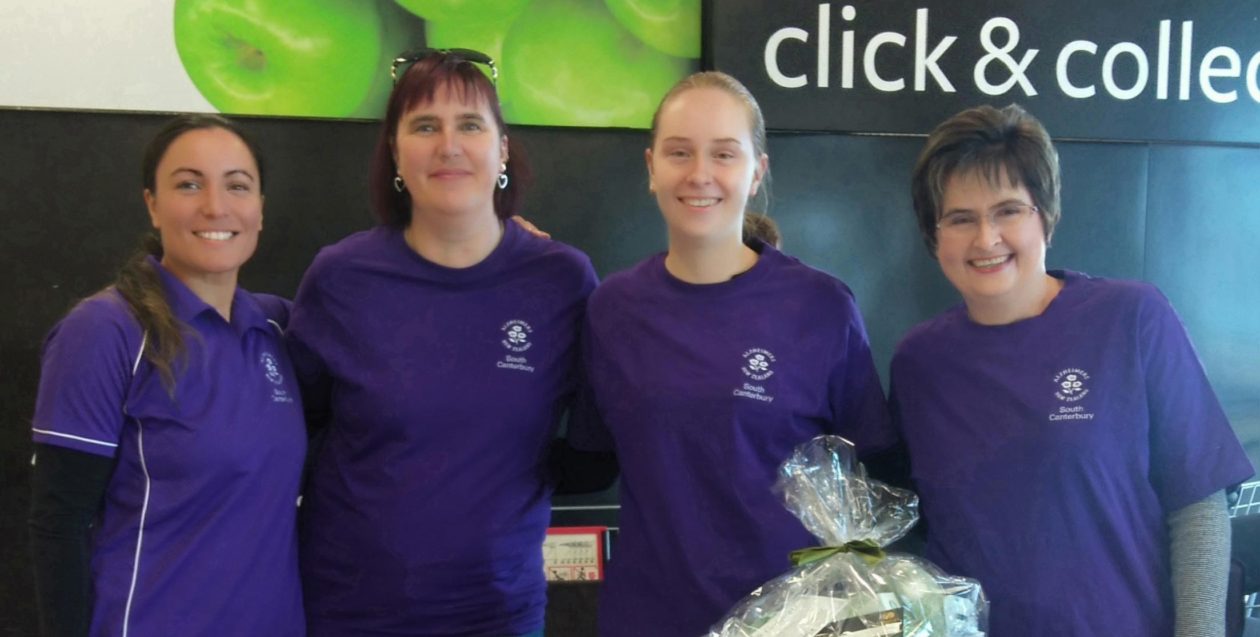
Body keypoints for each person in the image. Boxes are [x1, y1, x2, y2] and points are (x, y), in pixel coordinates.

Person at [889, 103, 1255, 636]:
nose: (986, 238)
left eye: (1009, 210)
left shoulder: (1130, 319)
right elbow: (912, 531)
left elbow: (1197, 507)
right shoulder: (918, 363)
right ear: (933, 235)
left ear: (1047, 216)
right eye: (960, 218)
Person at [565, 71, 893, 636]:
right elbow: (589, 462)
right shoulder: (612, 308)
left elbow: (879, 472)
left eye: (723, 154)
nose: (699, 174)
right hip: (649, 619)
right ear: (650, 167)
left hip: (791, 624)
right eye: (679, 152)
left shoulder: (820, 307)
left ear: (757, 171)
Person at [287, 48, 597, 636]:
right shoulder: (341, 277)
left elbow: (598, 435)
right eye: (425, 126)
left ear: (502, 148)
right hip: (350, 608)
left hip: (497, 613)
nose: (448, 145)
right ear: (395, 152)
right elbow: (294, 429)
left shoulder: (561, 281)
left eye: (471, 125)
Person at [27, 114, 306, 637]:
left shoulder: (277, 327)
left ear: (260, 210)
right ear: (152, 204)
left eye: (237, 186)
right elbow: (59, 523)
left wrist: (510, 251)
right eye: (188, 184)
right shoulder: (106, 330)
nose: (215, 206)